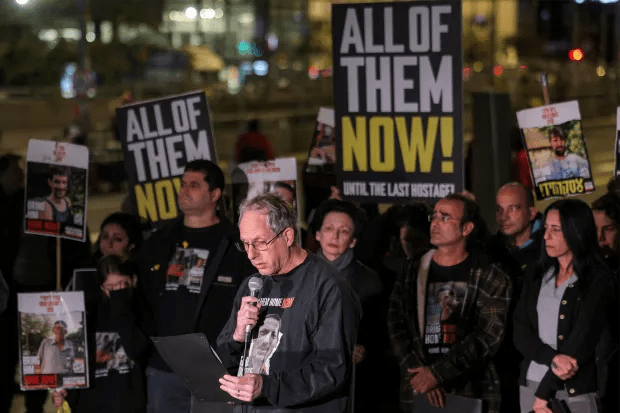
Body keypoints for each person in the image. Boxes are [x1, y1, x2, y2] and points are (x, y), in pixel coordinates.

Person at [216, 194, 361, 412]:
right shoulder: (252, 285)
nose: (251, 255)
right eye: (245, 244)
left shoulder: (328, 287)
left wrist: (267, 386)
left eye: (260, 243)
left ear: (288, 236)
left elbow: (332, 369)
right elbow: (224, 361)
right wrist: (236, 337)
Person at [136, 159, 255, 413]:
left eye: (193, 185)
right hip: (164, 366)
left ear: (214, 194)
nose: (184, 190)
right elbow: (143, 298)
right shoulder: (159, 242)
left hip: (214, 367)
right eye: (182, 184)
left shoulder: (237, 245)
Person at [388, 193, 511, 413]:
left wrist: (437, 373)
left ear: (466, 228)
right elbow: (396, 323)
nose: (435, 222)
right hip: (418, 387)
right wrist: (420, 373)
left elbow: (487, 336)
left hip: (471, 389)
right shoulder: (413, 269)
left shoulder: (490, 275)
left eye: (445, 218)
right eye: (434, 216)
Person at [513, 199, 615, 413]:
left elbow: (582, 339)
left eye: (556, 230)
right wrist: (551, 359)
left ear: (577, 232)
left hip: (573, 390)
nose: (546, 236)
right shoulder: (536, 274)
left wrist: (544, 394)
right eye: (546, 228)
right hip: (531, 384)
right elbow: (520, 331)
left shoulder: (597, 278)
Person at [52, 255, 149, 413]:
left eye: (122, 285)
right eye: (111, 288)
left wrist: (121, 305)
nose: (117, 292)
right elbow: (75, 360)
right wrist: (65, 390)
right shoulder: (90, 313)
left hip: (128, 404)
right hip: (92, 404)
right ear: (103, 289)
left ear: (134, 281)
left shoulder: (143, 312)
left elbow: (136, 349)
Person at [313, 199, 382, 413]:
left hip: (351, 382)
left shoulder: (369, 280)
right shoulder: (299, 275)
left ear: (352, 241)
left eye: (343, 231)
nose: (334, 236)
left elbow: (378, 330)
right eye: (329, 229)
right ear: (318, 234)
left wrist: (365, 348)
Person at [487, 182, 543, 413]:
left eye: (513, 208)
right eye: (499, 209)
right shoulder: (489, 249)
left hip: (539, 358)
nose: (504, 216)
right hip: (500, 360)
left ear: (531, 212)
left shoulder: (551, 246)